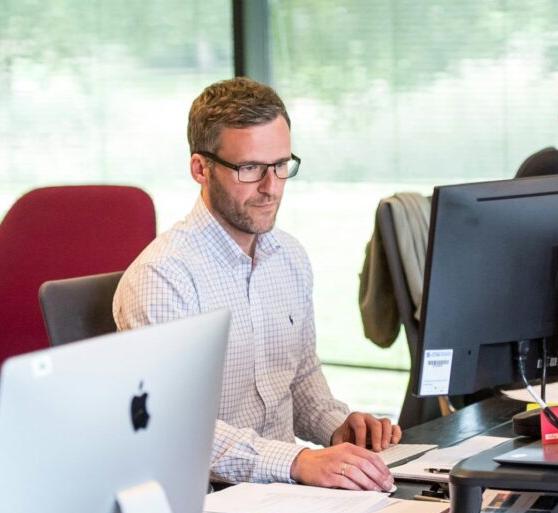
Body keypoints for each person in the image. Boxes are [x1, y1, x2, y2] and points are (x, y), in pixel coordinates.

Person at [113, 77, 399, 491]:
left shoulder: (290, 257)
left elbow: (299, 378)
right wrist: (299, 460)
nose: (271, 187)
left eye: (281, 165)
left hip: (285, 495)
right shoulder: (163, 278)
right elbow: (177, 427)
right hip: (210, 505)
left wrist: (340, 429)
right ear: (200, 168)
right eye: (250, 169)